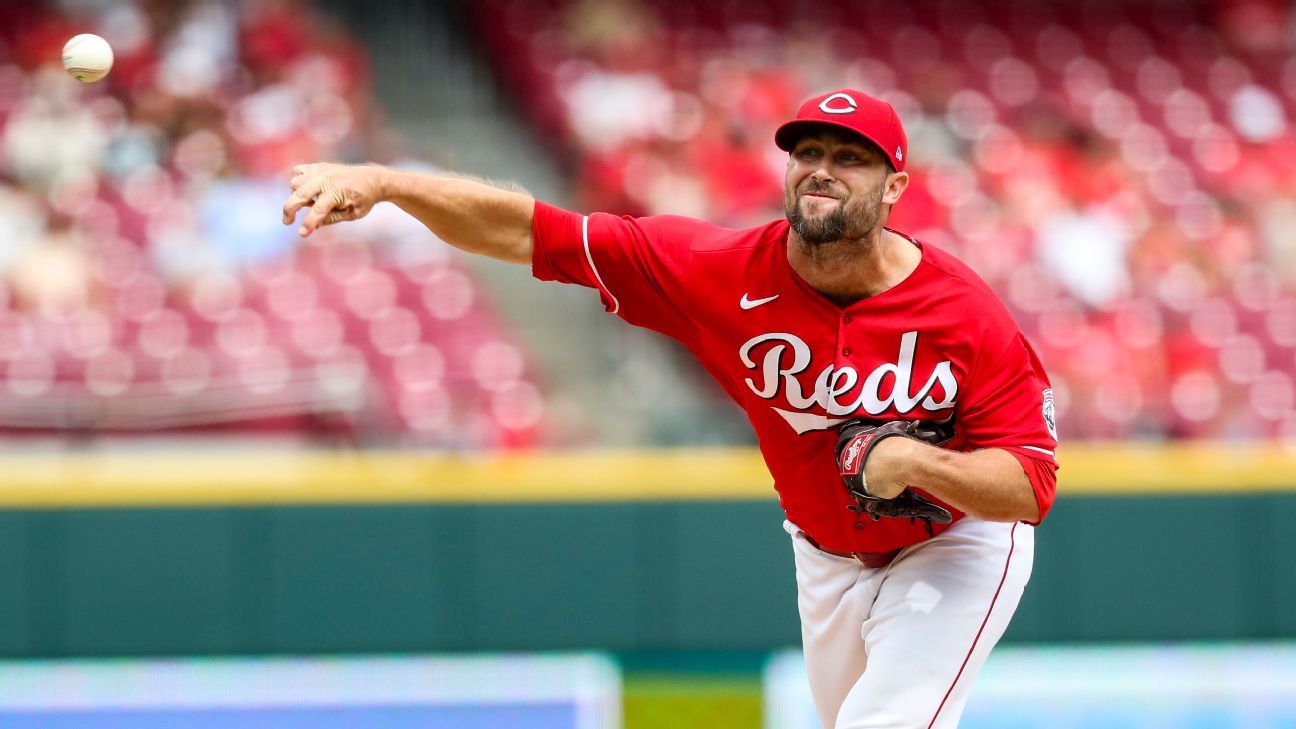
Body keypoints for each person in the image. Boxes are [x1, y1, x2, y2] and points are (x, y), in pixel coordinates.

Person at [282, 88, 1059, 729]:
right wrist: (388, 182)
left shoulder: (964, 313)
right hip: (823, 552)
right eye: (808, 153)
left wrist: (912, 460)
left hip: (954, 545)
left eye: (850, 158)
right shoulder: (714, 269)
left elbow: (1031, 484)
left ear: (894, 188)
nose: (822, 170)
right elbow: (532, 232)